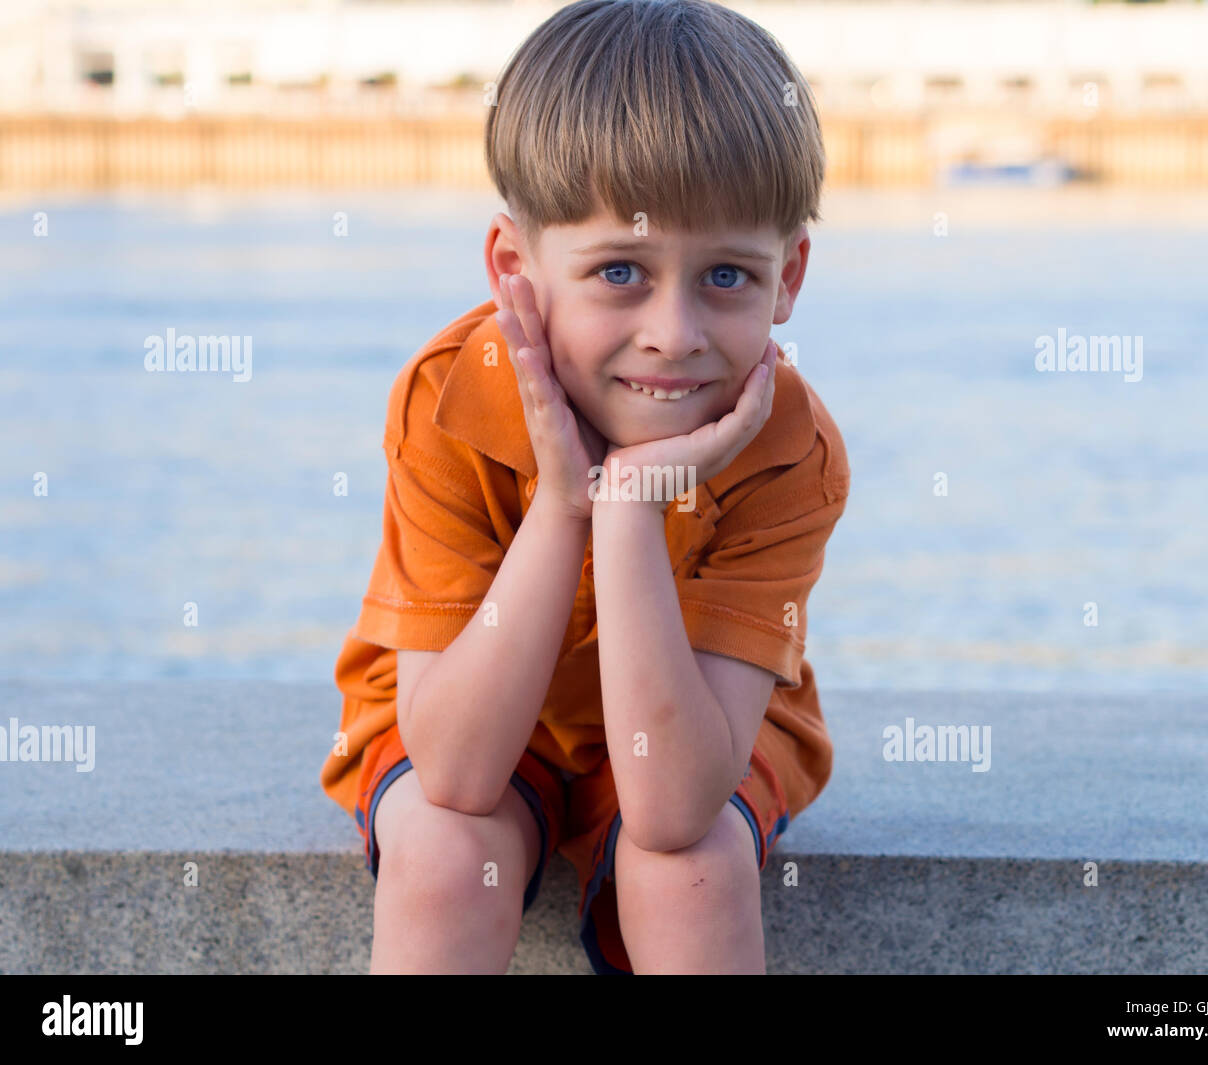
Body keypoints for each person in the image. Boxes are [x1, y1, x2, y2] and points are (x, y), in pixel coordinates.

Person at [319, 0, 850, 974]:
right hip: (473, 711)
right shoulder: (449, 398)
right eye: (619, 271)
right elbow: (460, 771)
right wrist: (565, 502)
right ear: (515, 268)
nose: (674, 332)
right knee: (441, 855)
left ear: (789, 277)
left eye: (727, 275)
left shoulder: (783, 448)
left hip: (693, 730)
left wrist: (629, 507)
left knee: (688, 872)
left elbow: (675, 804)